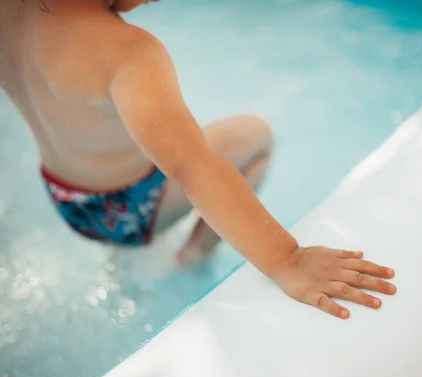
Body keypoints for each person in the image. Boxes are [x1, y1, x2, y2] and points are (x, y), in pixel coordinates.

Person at [0, 0, 396, 319]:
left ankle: (121, 254)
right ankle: (194, 256)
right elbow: (194, 168)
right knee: (255, 135)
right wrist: (287, 259)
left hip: (68, 200)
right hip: (131, 211)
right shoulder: (127, 53)